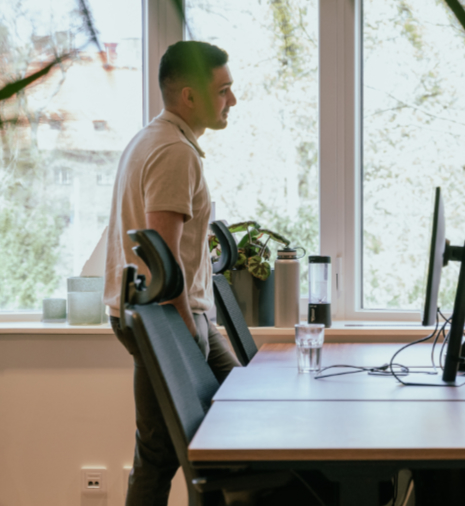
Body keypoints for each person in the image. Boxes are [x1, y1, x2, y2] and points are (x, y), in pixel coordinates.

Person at [103, 40, 239, 505]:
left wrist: (204, 324)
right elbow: (164, 261)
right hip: (167, 320)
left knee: (237, 409)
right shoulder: (173, 153)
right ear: (189, 96)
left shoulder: (154, 139)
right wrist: (188, 333)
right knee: (164, 454)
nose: (232, 101)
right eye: (223, 90)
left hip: (169, 316)